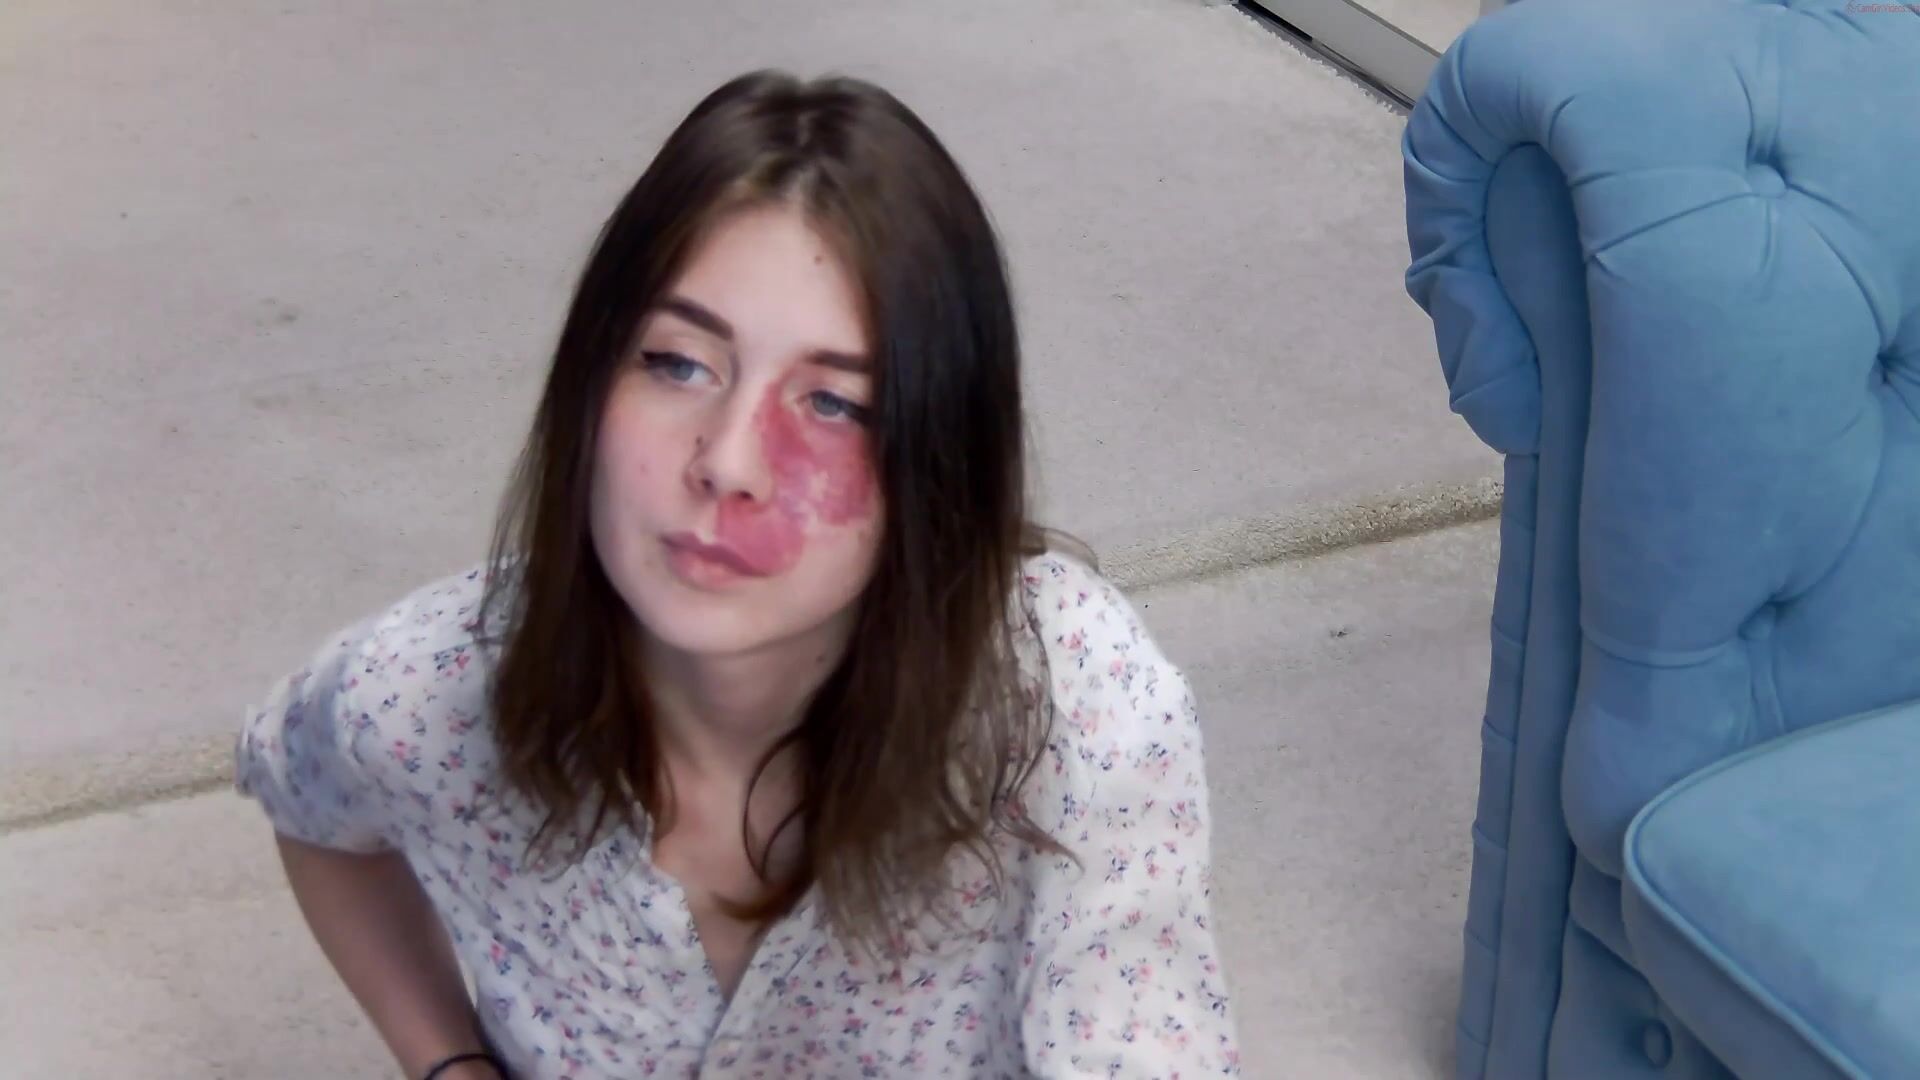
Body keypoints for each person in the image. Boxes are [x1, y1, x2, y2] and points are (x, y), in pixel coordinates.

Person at [235, 70, 1240, 1079]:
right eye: (677, 363)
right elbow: (306, 798)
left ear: (941, 456)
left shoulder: (1078, 705)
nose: (728, 460)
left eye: (834, 404)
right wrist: (446, 1062)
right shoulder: (432, 682)